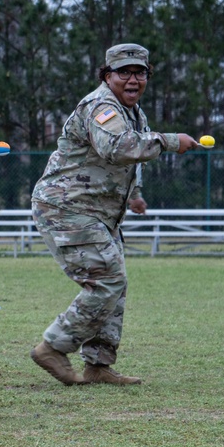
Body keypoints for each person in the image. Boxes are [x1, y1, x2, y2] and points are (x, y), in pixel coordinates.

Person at [29, 43, 197, 387]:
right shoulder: (100, 106)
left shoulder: (133, 112)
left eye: (140, 72)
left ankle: (98, 365)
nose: (133, 79)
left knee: (115, 285)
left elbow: (130, 156)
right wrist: (170, 140)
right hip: (66, 208)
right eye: (124, 72)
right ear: (108, 76)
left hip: (98, 213)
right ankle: (52, 347)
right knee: (108, 279)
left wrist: (134, 195)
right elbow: (118, 147)